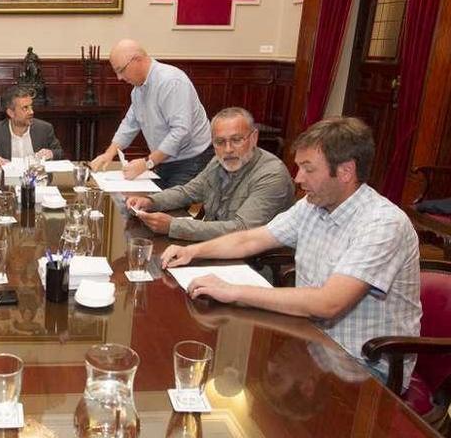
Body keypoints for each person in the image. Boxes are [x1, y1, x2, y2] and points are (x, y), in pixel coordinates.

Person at [161, 117, 422, 386]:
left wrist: (233, 291)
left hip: (363, 365)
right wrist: (193, 251)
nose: (298, 179)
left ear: (345, 171)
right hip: (312, 340)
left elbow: (329, 303)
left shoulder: (383, 223)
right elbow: (250, 240)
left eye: (308, 169)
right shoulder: (311, 205)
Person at [125, 107, 294, 241]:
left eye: (236, 140)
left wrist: (174, 226)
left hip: (252, 264)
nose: (228, 149)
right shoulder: (218, 162)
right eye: (219, 142)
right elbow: (187, 192)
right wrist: (150, 201)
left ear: (254, 138)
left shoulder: (272, 174)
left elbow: (241, 230)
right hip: (212, 247)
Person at [89, 39, 213, 188]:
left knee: (169, 208)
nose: (119, 78)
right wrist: (109, 153)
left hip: (191, 161)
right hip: (165, 161)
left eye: (121, 70)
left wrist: (148, 162)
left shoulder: (171, 82)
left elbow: (181, 132)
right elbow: (130, 123)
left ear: (137, 60)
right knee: (141, 204)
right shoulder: (138, 90)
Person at [0, 85, 64, 166]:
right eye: (25, 108)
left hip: (37, 182)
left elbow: (59, 152)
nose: (31, 112)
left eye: (31, 106)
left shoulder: (44, 128)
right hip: (7, 183)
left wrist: (51, 153)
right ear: (11, 113)